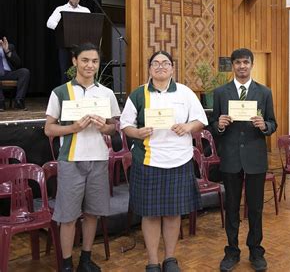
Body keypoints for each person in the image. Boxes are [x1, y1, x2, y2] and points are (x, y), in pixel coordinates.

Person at [120, 50, 207, 272]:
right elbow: (125, 125)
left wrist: (188, 127)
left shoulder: (185, 93)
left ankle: (170, 259)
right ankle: (152, 262)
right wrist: (137, 133)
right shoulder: (138, 95)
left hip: (179, 160)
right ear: (149, 68)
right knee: (150, 214)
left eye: (165, 63)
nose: (160, 66)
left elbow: (200, 120)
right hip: (148, 160)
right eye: (155, 63)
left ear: (172, 68)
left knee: (173, 212)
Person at [44, 43, 120, 272]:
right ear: (74, 61)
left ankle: (86, 259)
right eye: (85, 60)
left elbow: (113, 127)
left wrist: (104, 128)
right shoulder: (60, 92)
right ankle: (66, 263)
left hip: (98, 160)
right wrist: (74, 127)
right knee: (67, 216)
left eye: (94, 61)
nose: (90, 65)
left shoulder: (106, 94)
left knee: (92, 213)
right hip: (71, 160)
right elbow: (49, 129)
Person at [211, 48, 277, 272]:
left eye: (246, 62)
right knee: (231, 207)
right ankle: (231, 251)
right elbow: (213, 126)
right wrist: (219, 124)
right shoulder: (220, 92)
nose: (242, 66)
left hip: (255, 158)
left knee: (256, 208)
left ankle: (256, 251)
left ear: (251, 65)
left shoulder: (264, 92)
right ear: (232, 65)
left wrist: (265, 126)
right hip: (230, 158)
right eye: (238, 62)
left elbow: (272, 123)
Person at [47, 0, 91, 84]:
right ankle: (66, 96)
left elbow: (89, 27)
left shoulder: (85, 10)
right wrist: (63, 29)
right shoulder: (60, 9)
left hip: (81, 47)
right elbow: (49, 23)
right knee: (65, 73)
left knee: (82, 71)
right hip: (65, 46)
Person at [0, 36, 30, 111]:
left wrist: (7, 51)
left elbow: (18, 64)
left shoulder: (10, 47)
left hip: (8, 73)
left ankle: (19, 101)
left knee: (24, 72)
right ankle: (1, 102)